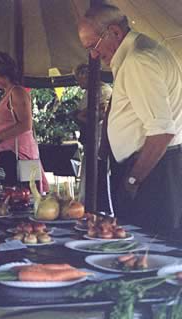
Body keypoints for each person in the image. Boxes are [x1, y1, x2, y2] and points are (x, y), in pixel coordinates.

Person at [78, 4, 182, 235]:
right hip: (152, 167)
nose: (93, 55)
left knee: (147, 246)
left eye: (93, 46)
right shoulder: (137, 53)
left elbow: (162, 131)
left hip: (152, 171)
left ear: (114, 32)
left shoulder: (138, 60)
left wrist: (132, 180)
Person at [0, 52, 49, 192]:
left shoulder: (17, 92)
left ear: (2, 72)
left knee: (23, 196)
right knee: (9, 195)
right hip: (9, 153)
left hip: (19, 156)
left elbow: (26, 124)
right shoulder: (8, 93)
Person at [73, 63, 112, 211]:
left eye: (79, 79)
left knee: (98, 174)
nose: (78, 82)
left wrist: (80, 115)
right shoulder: (89, 92)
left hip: (100, 139)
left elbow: (99, 114)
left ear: (86, 76)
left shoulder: (103, 91)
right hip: (90, 139)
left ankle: (98, 208)